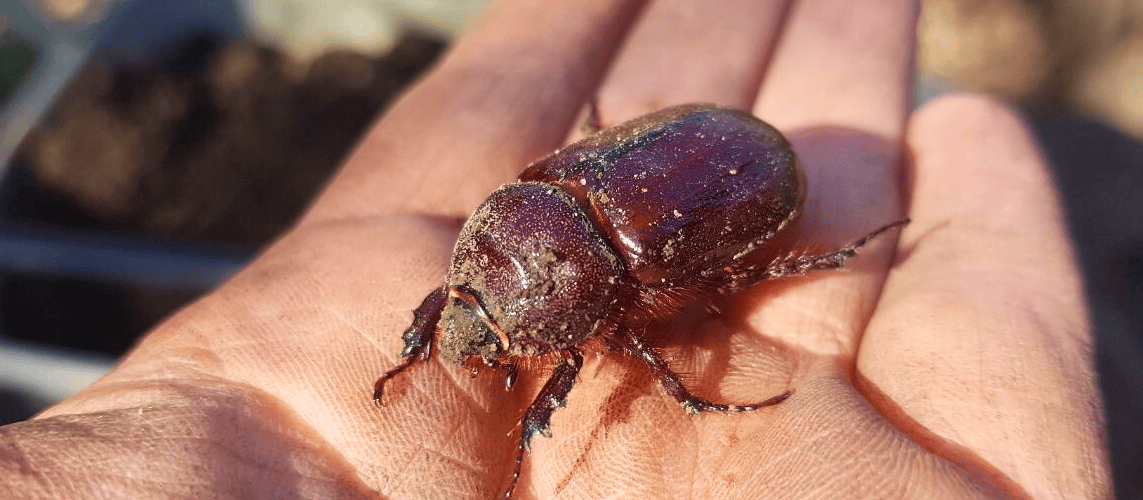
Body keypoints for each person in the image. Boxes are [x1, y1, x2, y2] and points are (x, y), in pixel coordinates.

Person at [0, 0, 1111, 498]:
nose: (468, 326)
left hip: (746, 181)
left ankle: (843, 252)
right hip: (664, 166)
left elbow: (613, 354)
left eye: (470, 314)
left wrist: (674, 388)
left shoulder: (604, 292)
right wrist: (418, 349)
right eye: (467, 307)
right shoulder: (527, 219)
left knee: (735, 287)